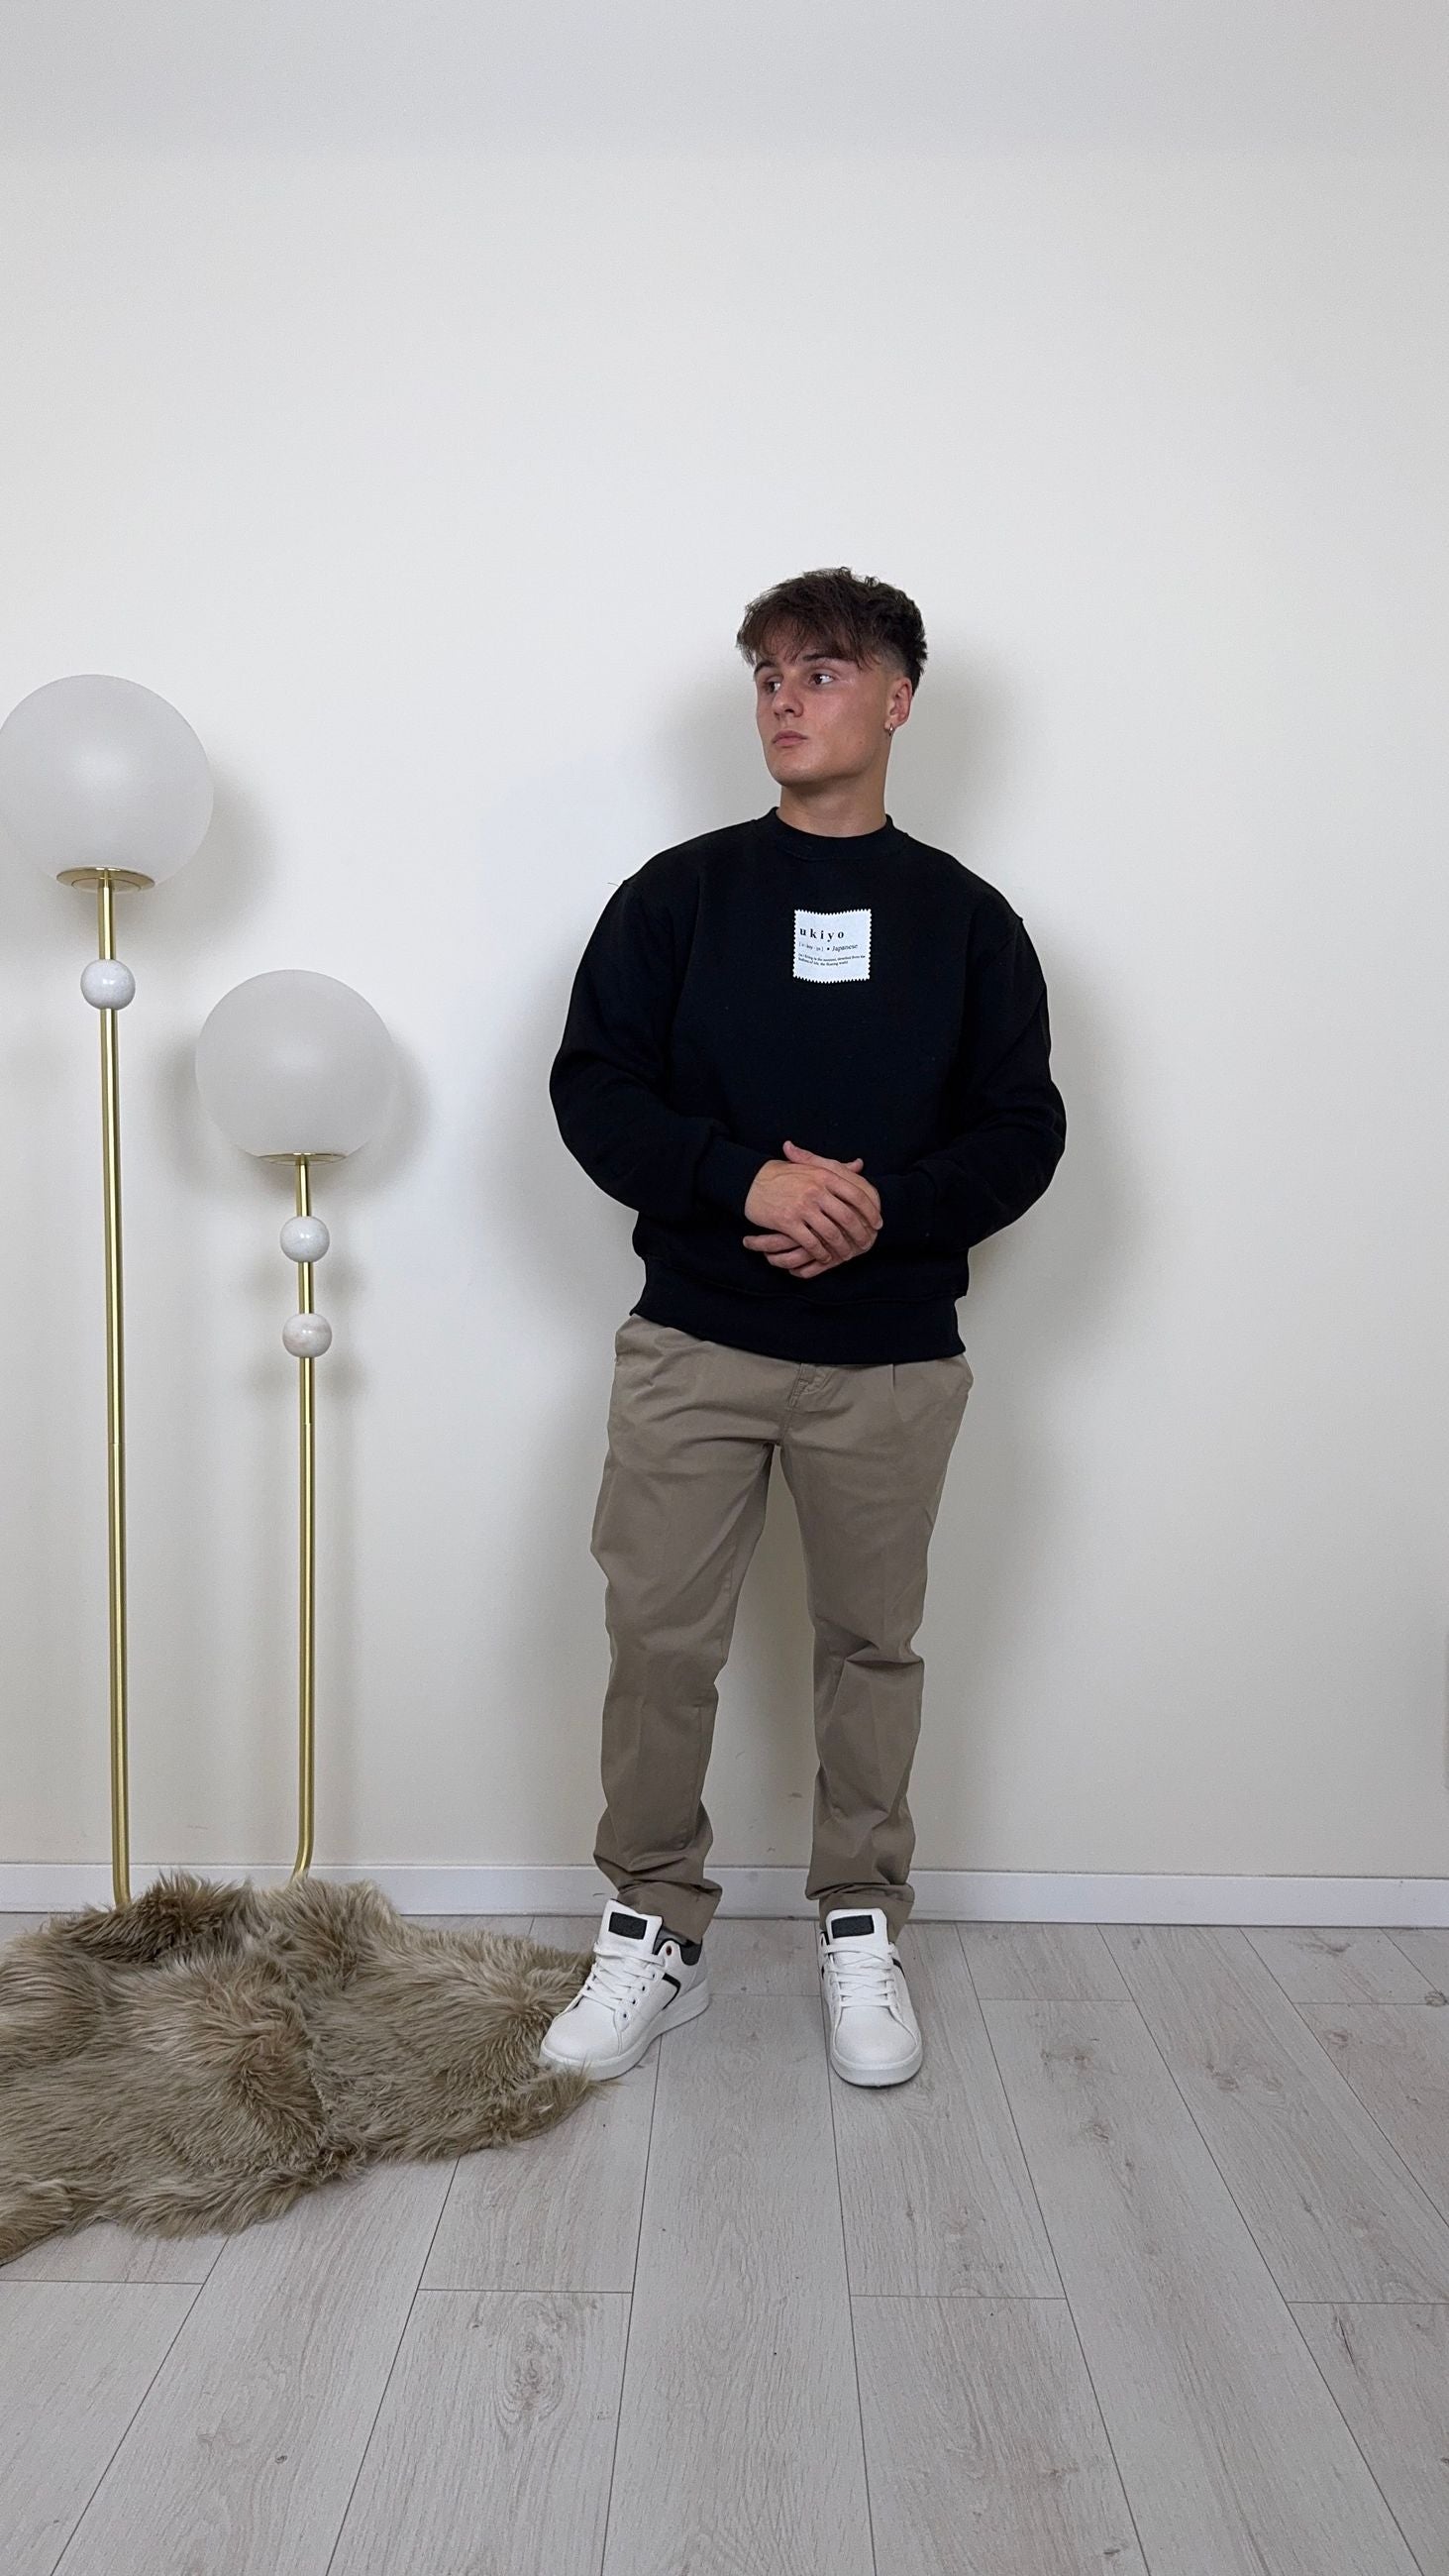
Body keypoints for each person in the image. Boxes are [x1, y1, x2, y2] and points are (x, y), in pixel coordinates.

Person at [539, 566, 1066, 2089]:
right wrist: (745, 1178)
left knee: (869, 1649)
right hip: (693, 1345)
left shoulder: (968, 922)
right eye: (766, 673)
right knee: (658, 1643)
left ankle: (859, 1926)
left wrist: (875, 1209)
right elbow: (594, 1090)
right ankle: (652, 1928)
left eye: (821, 671)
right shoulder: (679, 896)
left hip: (890, 1358)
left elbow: (1023, 1130)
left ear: (897, 699)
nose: (784, 696)